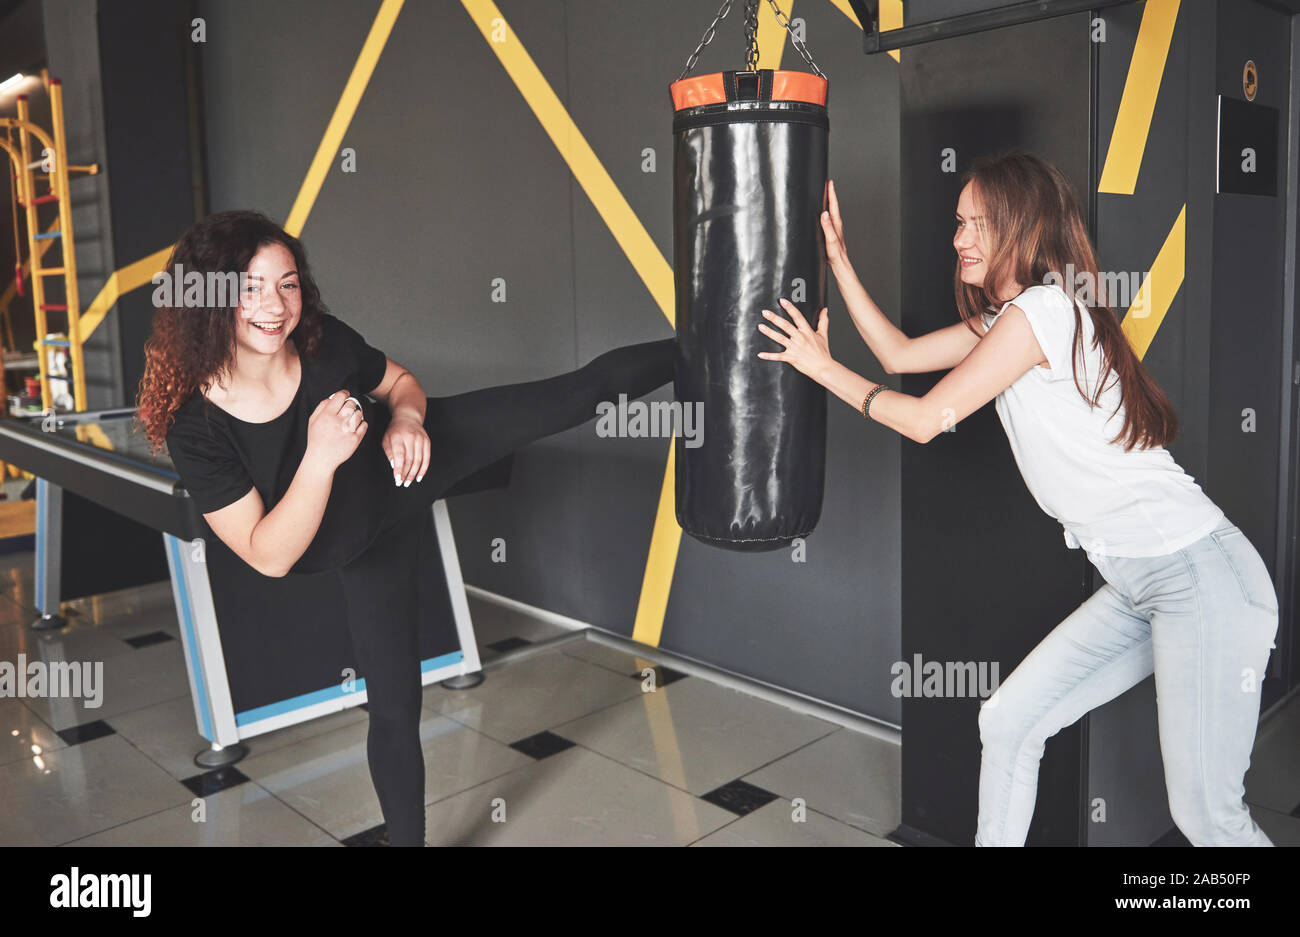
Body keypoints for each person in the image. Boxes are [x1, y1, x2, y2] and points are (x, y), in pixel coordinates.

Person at [757, 152, 1278, 847]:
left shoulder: (1042, 312)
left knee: (1208, 818)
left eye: (977, 223)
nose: (959, 238)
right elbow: (900, 356)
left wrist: (821, 368)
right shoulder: (1015, 319)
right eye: (958, 222)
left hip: (1198, 575)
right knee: (1009, 720)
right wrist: (841, 261)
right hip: (1137, 582)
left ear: (1020, 228)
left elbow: (922, 419)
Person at [137, 210, 676, 846]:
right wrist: (319, 455)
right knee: (394, 708)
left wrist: (408, 422)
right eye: (249, 287)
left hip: (412, 462)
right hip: (363, 539)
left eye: (288, 284)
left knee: (575, 393)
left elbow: (400, 382)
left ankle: (723, 342)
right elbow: (267, 555)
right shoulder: (196, 427)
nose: (274, 305)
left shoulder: (321, 342)